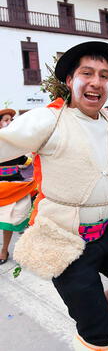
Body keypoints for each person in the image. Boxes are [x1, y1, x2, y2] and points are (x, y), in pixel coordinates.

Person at [0, 41, 108, 350]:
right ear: (69, 80)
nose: (96, 82)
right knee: (98, 335)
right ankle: (99, 324)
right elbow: (4, 142)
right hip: (64, 240)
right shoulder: (47, 119)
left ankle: (104, 309)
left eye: (104, 76)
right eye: (87, 73)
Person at [0, 108, 34, 265]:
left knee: (9, 220)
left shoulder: (15, 144)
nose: (9, 123)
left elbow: (26, 161)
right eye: (6, 120)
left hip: (14, 187)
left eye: (10, 120)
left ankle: (4, 250)